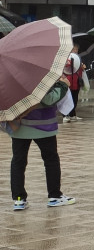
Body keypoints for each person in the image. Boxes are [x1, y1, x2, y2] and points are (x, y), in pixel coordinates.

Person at [6, 76, 76, 209]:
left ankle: (19, 199)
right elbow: (49, 99)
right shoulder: (40, 75)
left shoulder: (14, 76)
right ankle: (55, 196)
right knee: (51, 160)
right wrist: (63, 85)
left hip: (20, 125)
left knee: (18, 162)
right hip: (43, 125)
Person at [62, 43, 84, 122]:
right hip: (68, 81)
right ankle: (65, 115)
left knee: (75, 98)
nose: (76, 51)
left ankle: (72, 114)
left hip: (76, 81)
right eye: (74, 49)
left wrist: (82, 67)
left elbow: (78, 70)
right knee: (67, 99)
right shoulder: (66, 58)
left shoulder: (78, 58)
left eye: (76, 49)